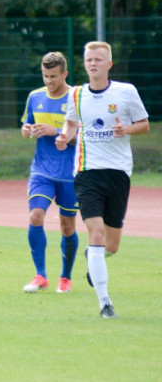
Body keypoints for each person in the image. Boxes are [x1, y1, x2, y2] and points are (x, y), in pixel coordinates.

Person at [55, 41, 149, 319]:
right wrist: (65, 136)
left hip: (118, 172)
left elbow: (144, 124)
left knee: (112, 245)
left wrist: (127, 128)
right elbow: (71, 123)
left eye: (98, 59)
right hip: (87, 171)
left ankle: (93, 256)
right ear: (84, 64)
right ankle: (105, 303)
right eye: (88, 59)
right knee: (95, 233)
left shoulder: (126, 92)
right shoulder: (76, 94)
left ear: (109, 64)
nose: (93, 63)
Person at [20, 52, 79, 294]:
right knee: (35, 216)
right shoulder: (35, 97)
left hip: (70, 174)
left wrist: (55, 131)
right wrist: (27, 130)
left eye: (54, 76)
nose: (49, 81)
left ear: (64, 74)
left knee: (67, 226)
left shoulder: (77, 98)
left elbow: (84, 135)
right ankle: (40, 275)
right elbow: (29, 124)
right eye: (45, 76)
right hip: (42, 171)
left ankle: (65, 277)